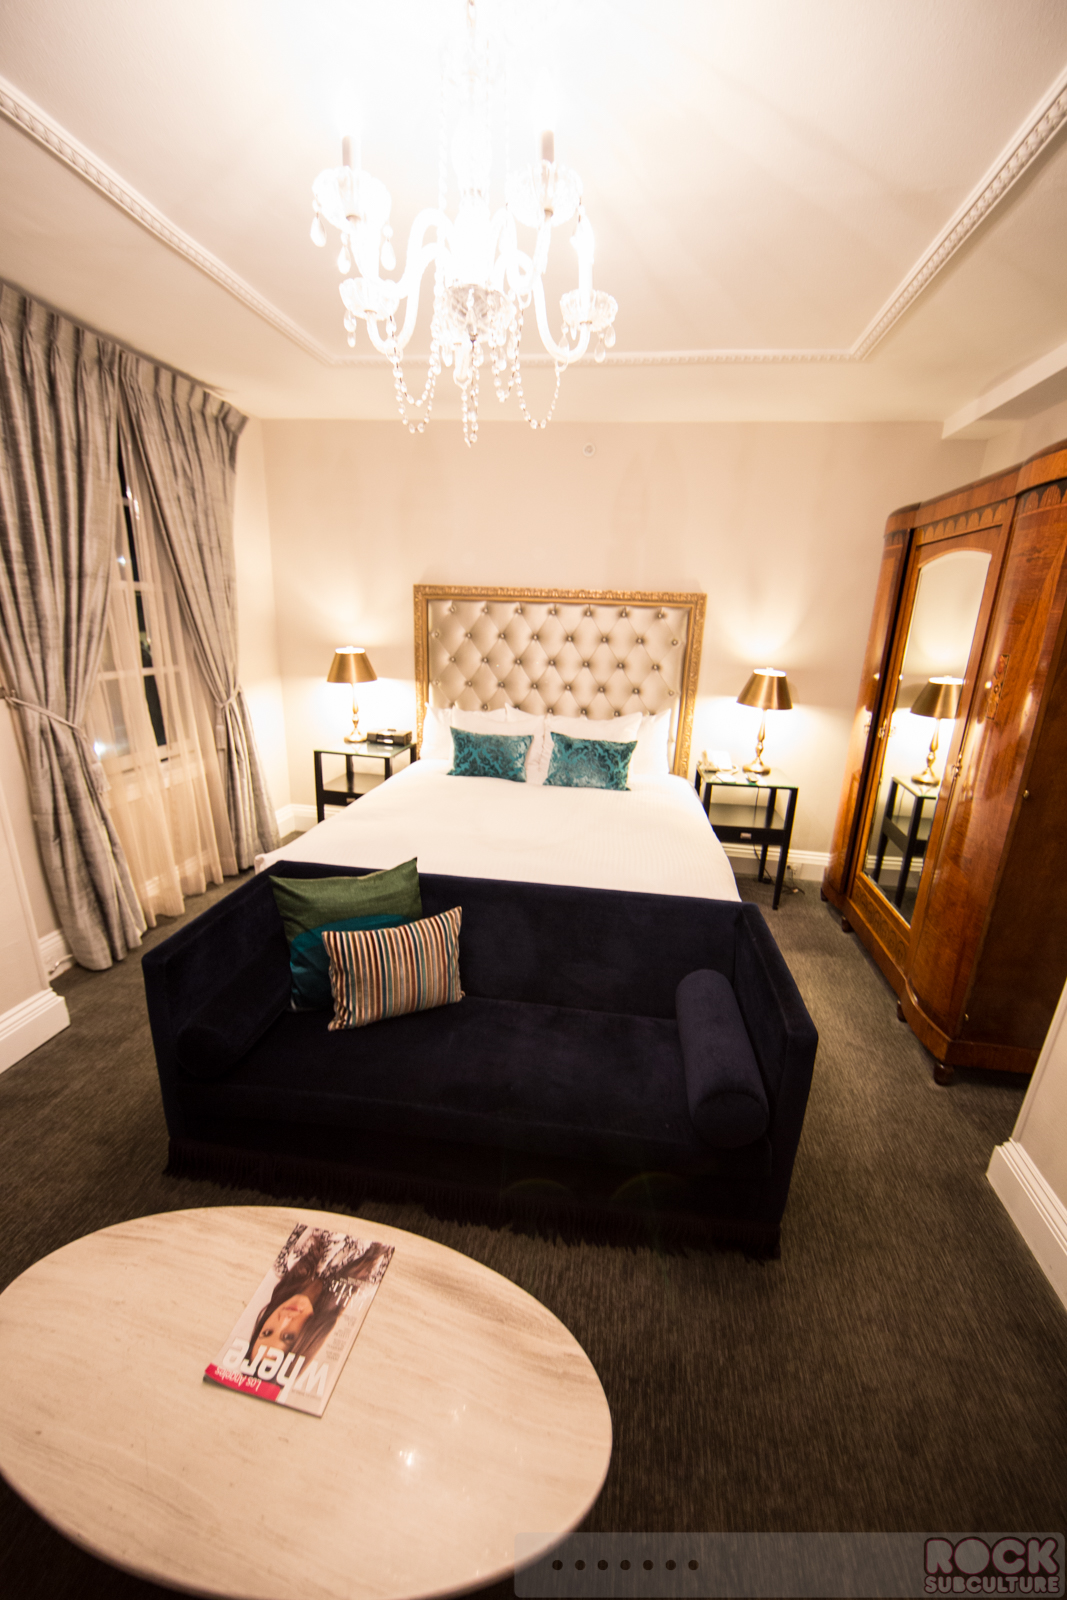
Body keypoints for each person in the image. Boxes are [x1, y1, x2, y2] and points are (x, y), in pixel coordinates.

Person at [245, 1227, 392, 1368]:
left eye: (267, 1332)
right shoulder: (364, 1285)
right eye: (289, 1336)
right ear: (308, 1339)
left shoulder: (284, 1263)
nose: (284, 1319)